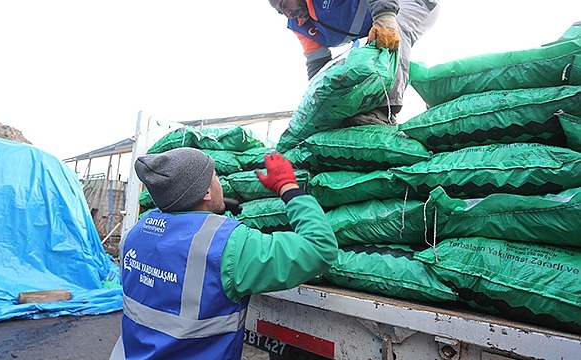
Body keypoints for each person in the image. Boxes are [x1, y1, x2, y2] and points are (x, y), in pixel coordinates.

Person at [109, 147, 337, 360]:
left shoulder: (134, 234)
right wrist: (288, 187)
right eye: (215, 176)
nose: (220, 182)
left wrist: (208, 212)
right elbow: (320, 247)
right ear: (206, 192)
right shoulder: (229, 245)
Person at [268, 0, 440, 125]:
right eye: (280, 11)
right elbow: (318, 65)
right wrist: (319, 106)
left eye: (284, 4)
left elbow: (385, 19)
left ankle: (384, 110)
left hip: (407, 3)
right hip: (373, 19)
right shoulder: (300, 26)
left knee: (390, 32)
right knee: (352, 64)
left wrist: (385, 15)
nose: (287, 13)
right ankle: (361, 109)